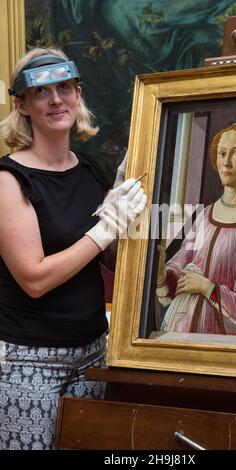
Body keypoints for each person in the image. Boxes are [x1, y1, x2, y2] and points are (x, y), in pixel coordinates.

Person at [0, 47, 146, 450]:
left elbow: (108, 260)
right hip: (28, 363)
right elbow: (34, 278)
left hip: (94, 357)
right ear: (22, 104)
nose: (55, 100)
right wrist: (106, 227)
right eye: (42, 91)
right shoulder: (9, 179)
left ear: (78, 94)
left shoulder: (89, 169)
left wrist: (134, 229)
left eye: (64, 87)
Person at [156, 122, 236, 337]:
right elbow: (181, 264)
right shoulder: (205, 216)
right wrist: (161, 274)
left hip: (226, 349)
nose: (226, 162)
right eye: (222, 153)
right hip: (181, 339)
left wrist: (207, 287)